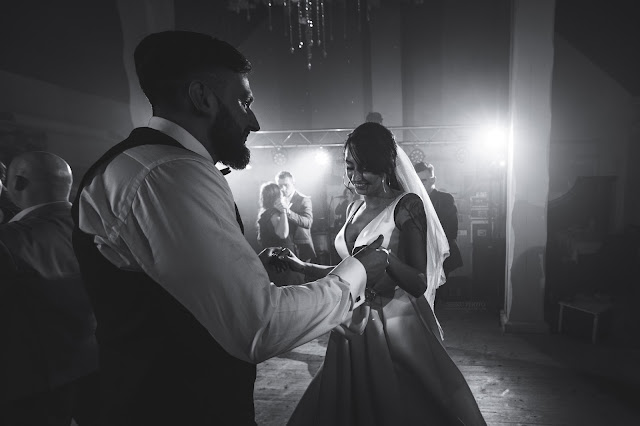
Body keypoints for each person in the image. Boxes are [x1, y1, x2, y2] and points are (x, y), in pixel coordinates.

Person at [71, 30, 388, 426]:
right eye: (244, 102)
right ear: (202, 97)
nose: (253, 121)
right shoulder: (168, 174)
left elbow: (162, 285)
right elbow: (258, 326)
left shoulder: (147, 165)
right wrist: (358, 272)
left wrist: (246, 269)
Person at [280, 123, 486, 425]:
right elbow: (350, 271)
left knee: (399, 405)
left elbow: (418, 282)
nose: (355, 177)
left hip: (392, 324)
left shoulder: (406, 206)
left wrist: (386, 259)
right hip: (350, 320)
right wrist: (302, 266)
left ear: (386, 166)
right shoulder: (352, 208)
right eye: (350, 167)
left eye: (365, 168)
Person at [0, 152, 98, 426]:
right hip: (94, 365)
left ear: (18, 183)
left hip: (31, 386)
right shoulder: (97, 228)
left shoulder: (9, 241)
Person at [414, 161, 463, 277]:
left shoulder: (445, 199)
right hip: (419, 257)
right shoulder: (413, 199)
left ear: (433, 180)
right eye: (417, 181)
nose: (420, 184)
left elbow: (451, 231)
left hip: (441, 256)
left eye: (423, 180)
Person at [257, 182, 304, 286]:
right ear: (277, 197)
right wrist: (283, 212)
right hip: (283, 263)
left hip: (274, 261)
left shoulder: (265, 214)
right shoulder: (274, 214)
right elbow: (282, 234)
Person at [276, 170, 316, 261]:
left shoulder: (304, 200)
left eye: (286, 185)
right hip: (284, 246)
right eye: (280, 186)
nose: (283, 189)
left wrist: (288, 212)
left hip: (301, 248)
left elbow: (308, 222)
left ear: (293, 183)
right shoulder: (277, 201)